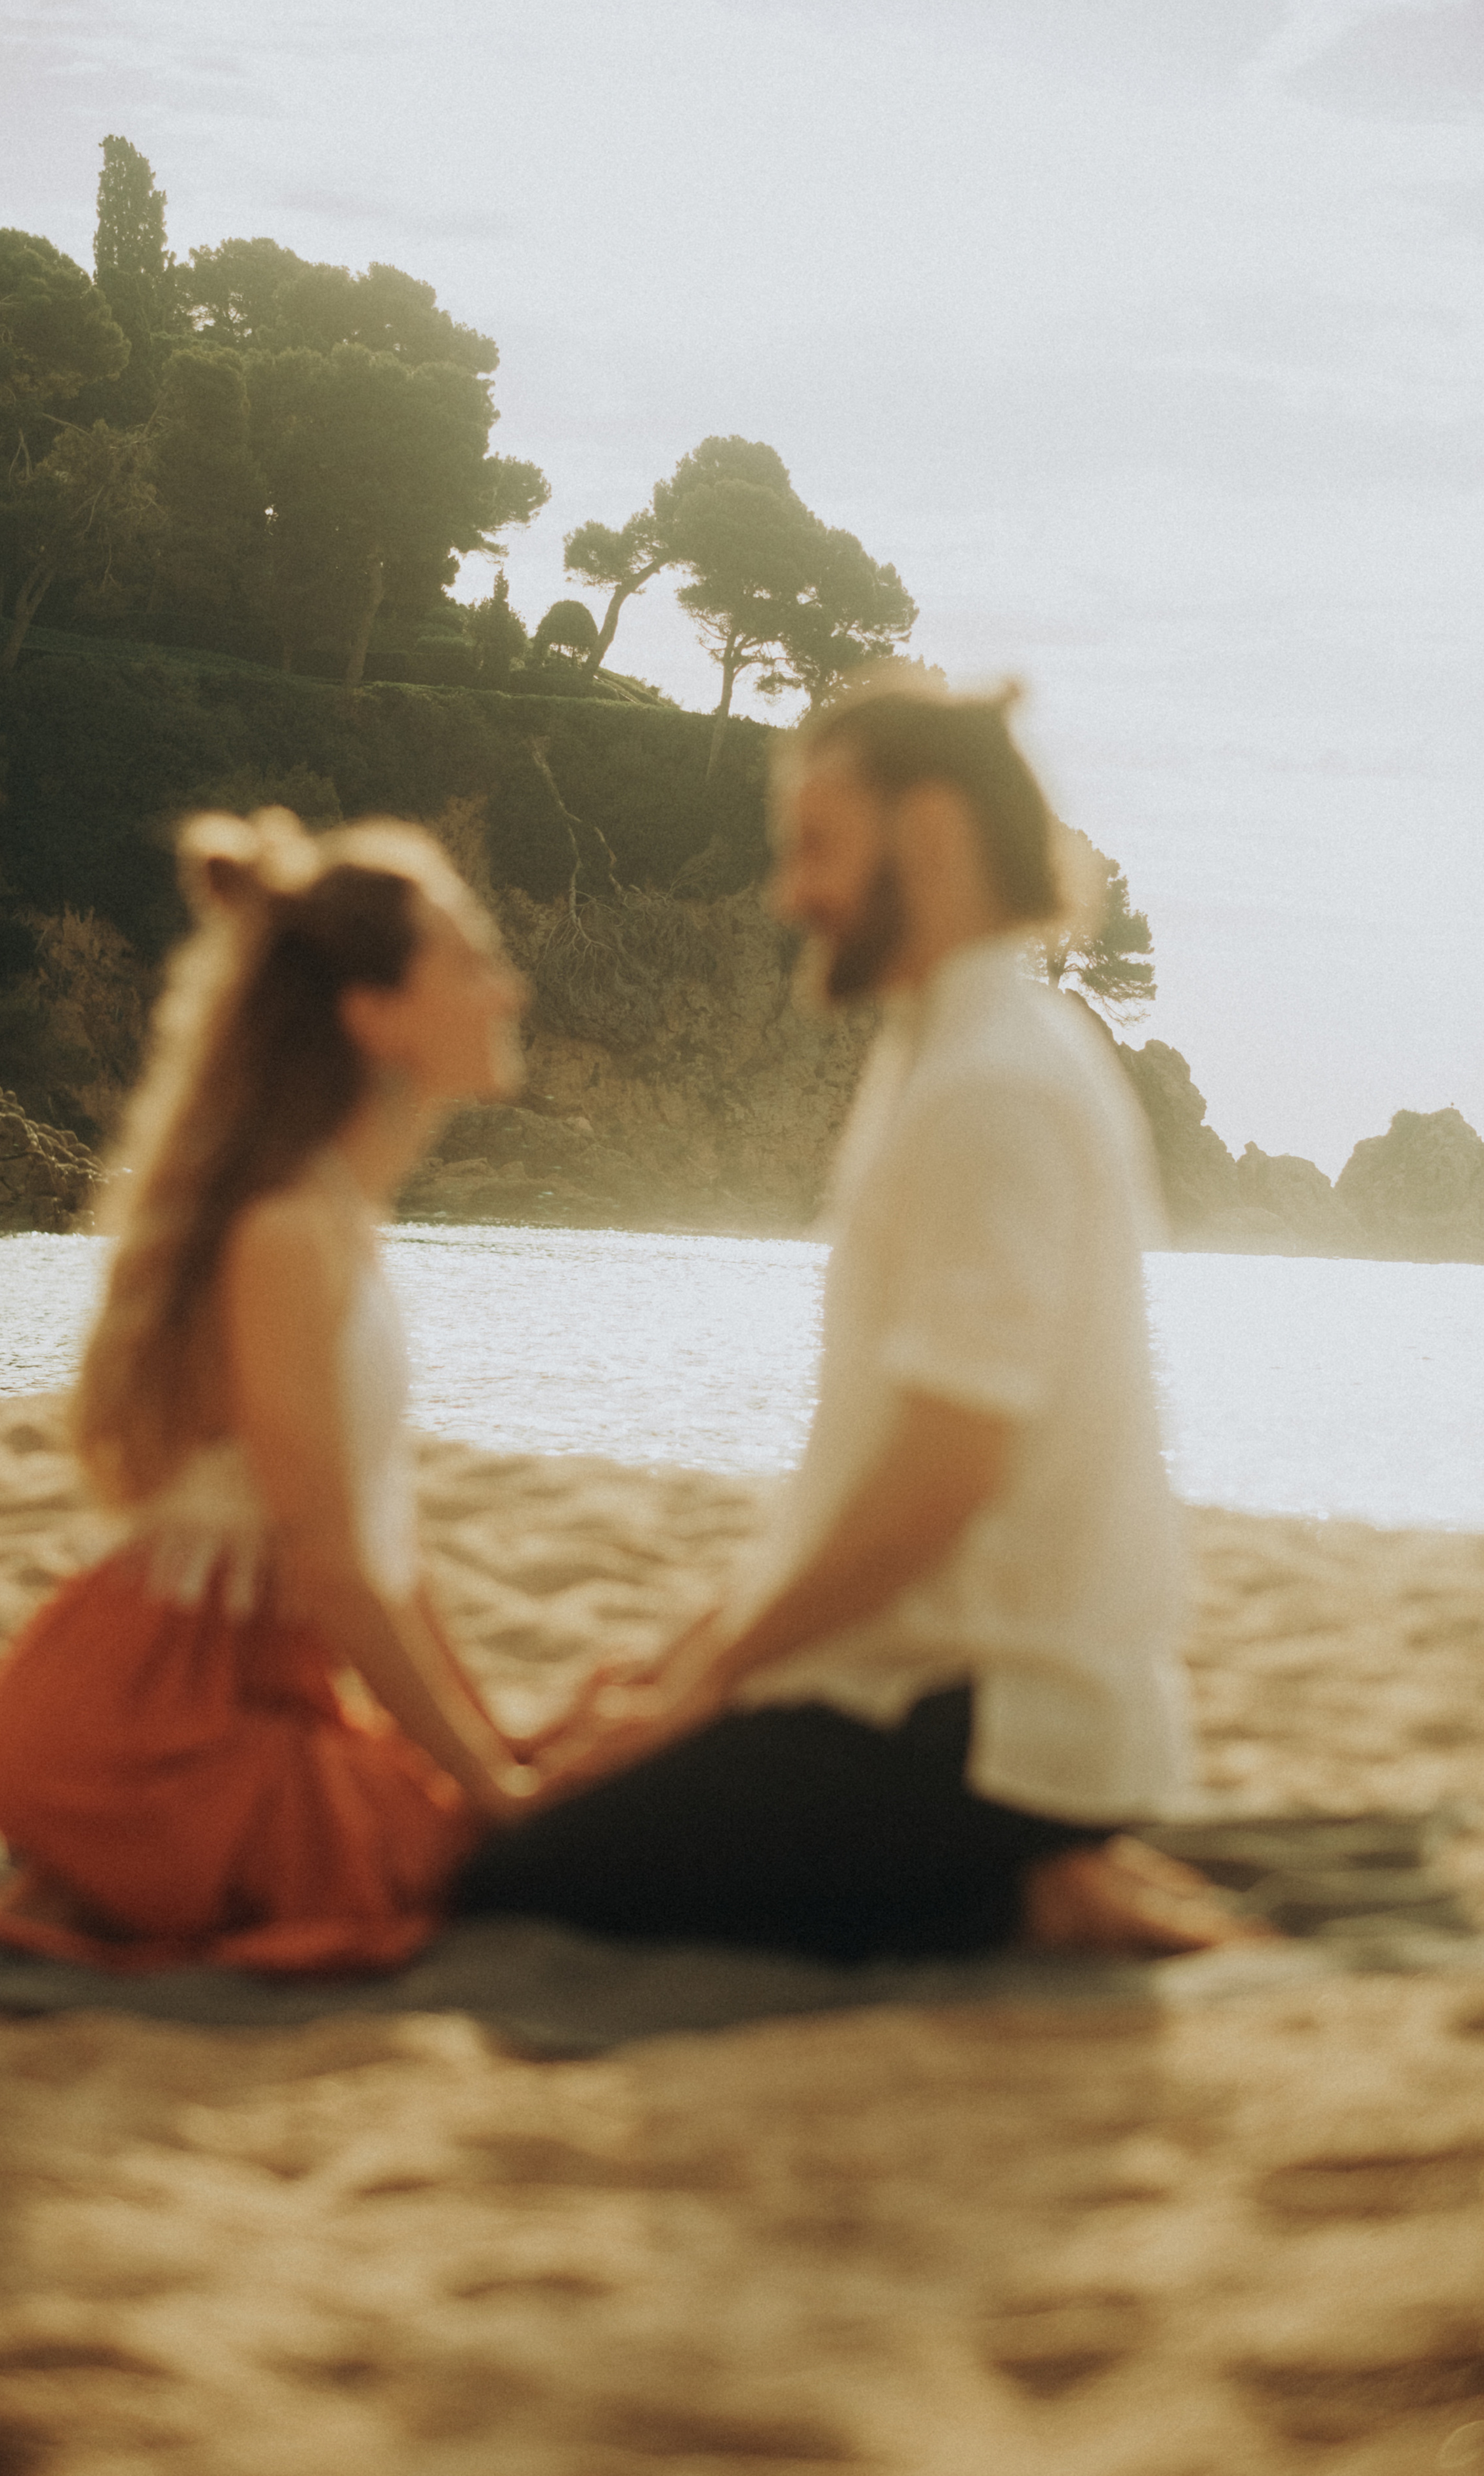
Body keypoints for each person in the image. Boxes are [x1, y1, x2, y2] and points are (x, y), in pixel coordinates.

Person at [457, 674, 1257, 1959]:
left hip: (983, 1729)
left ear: (928, 836)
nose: (790, 893)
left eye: (815, 849)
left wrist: (702, 1691)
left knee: (507, 1879)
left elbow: (942, 1476)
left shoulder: (986, 1086)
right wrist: (676, 1662)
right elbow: (864, 1474)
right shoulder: (959, 1045)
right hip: (948, 1691)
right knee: (582, 1784)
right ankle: (1036, 1880)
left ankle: (1019, 1891)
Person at [0, 808, 540, 1972]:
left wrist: (493, 1763)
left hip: (252, 1691)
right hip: (150, 1720)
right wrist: (491, 1793)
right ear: (372, 1017)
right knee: (447, 1860)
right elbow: (333, 1565)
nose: (507, 990)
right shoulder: (287, 1232)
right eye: (471, 960)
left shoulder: (335, 1221)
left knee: (518, 1810)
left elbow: (384, 1552)